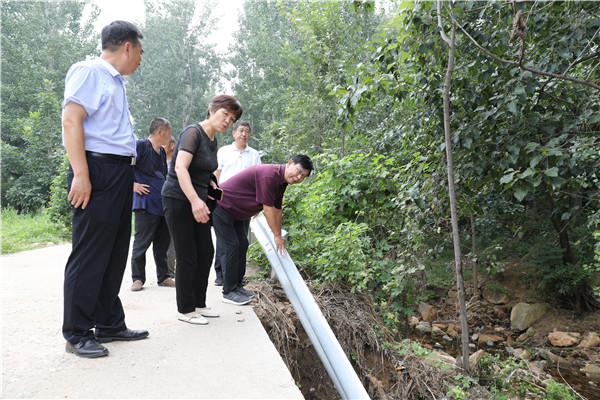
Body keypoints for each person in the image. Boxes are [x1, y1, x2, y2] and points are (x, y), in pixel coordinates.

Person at [61, 20, 148, 358]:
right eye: (139, 51)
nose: (140, 58)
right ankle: (77, 333)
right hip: (96, 171)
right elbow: (71, 120)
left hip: (119, 172)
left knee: (113, 252)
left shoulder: (115, 82)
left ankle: (109, 322)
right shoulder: (89, 72)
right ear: (127, 47)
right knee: (90, 252)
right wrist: (81, 174)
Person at [162, 94, 243, 325]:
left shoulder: (212, 139)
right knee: (187, 254)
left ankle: (198, 302)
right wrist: (195, 200)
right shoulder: (193, 132)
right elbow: (180, 167)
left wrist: (210, 182)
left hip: (198, 200)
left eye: (232, 119)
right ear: (212, 110)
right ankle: (185, 309)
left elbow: (200, 168)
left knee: (206, 251)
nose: (227, 121)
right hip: (179, 198)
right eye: (225, 114)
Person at [213, 155, 314, 305]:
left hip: (238, 212)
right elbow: (268, 209)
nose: (299, 177)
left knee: (242, 245)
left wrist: (279, 234)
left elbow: (277, 209)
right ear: (290, 163)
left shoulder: (282, 181)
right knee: (231, 246)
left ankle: (237, 286)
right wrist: (276, 236)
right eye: (299, 172)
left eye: (303, 176)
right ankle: (229, 291)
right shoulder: (269, 175)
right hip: (222, 206)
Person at [213, 120, 262, 286]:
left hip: (244, 204)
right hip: (224, 201)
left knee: (241, 241)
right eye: (241, 130)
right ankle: (221, 275)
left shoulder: (254, 154)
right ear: (234, 133)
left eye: (247, 131)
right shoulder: (224, 151)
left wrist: (257, 204)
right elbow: (217, 174)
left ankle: (237, 277)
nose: (244, 134)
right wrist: (213, 197)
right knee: (224, 240)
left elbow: (258, 180)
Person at [130, 117, 174, 291]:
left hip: (162, 204)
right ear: (160, 132)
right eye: (169, 133)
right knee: (141, 243)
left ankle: (163, 276)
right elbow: (125, 167)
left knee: (162, 244)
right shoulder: (141, 146)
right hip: (145, 204)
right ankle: (137, 278)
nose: (170, 137)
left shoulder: (161, 151)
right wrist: (133, 185)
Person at [164, 136, 177, 278]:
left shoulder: (178, 162)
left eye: (164, 144)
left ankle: (170, 271)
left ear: (172, 145)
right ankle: (163, 272)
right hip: (157, 203)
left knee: (173, 238)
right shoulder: (157, 160)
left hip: (173, 201)